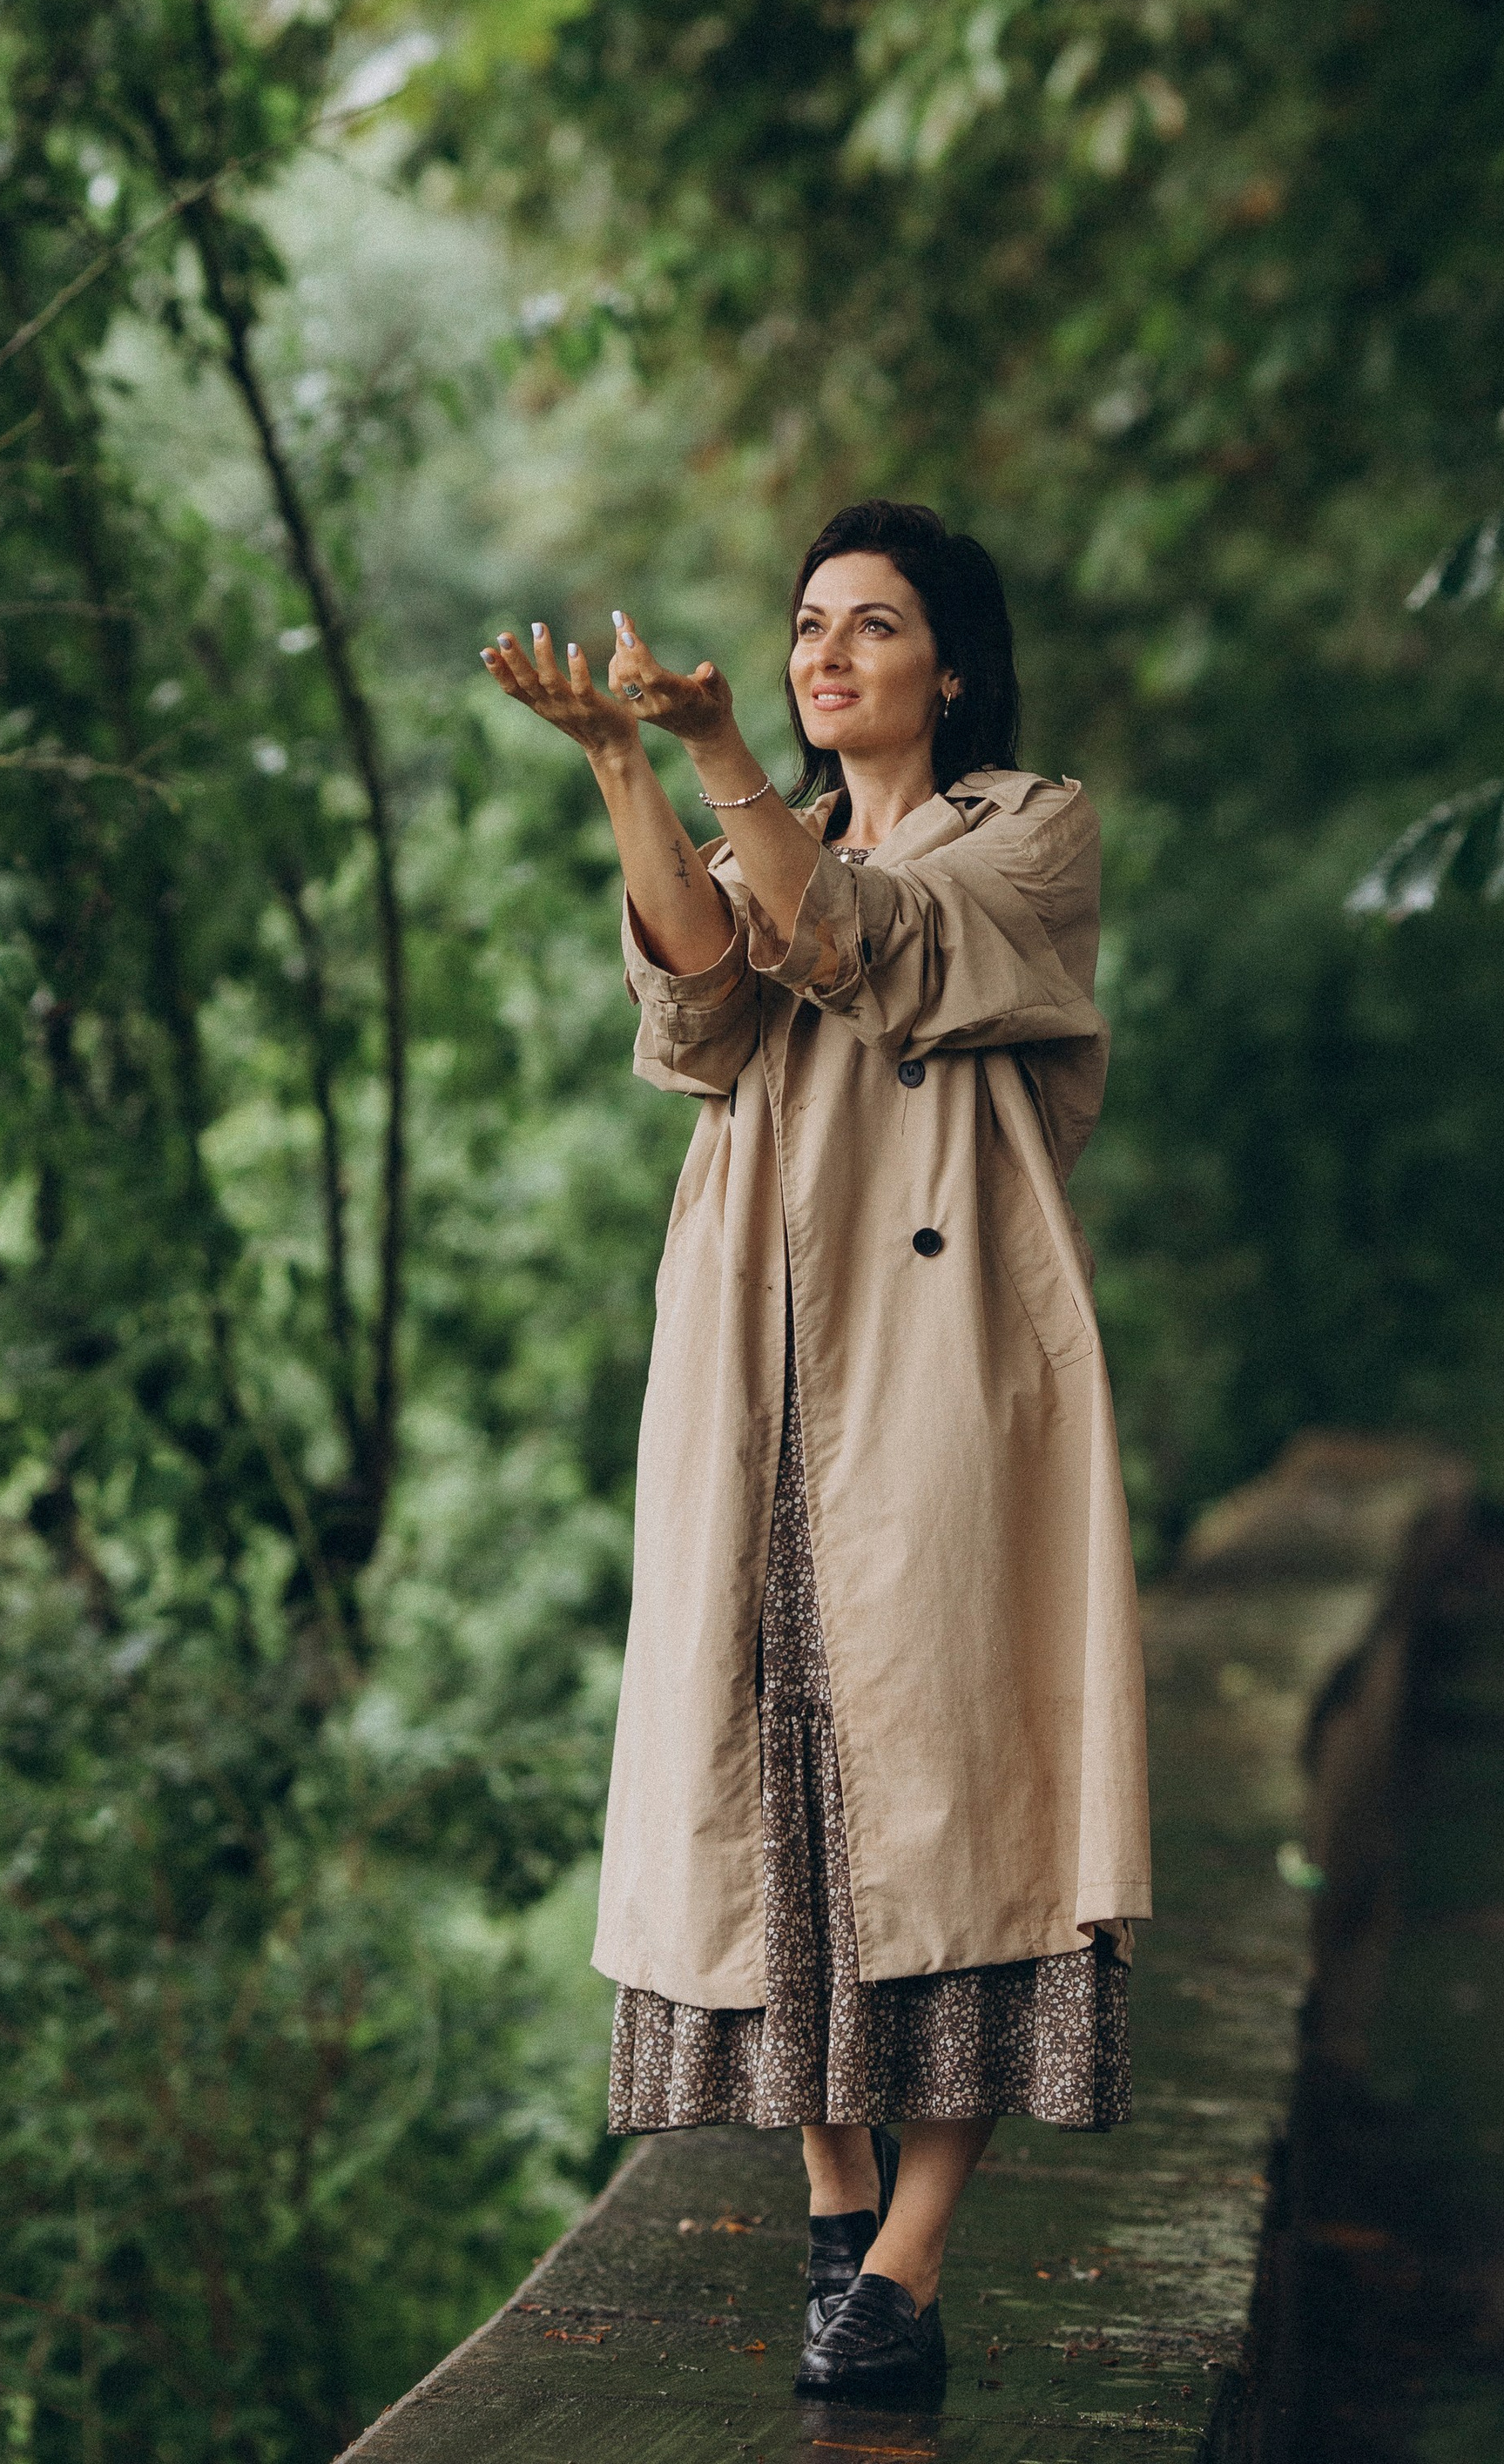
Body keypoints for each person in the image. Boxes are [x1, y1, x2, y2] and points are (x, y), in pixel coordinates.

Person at [480, 497, 1150, 2400]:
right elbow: (700, 1000)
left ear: (950, 663)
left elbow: (868, 947)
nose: (825, 654)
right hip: (757, 1360)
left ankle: (907, 2270)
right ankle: (838, 2208)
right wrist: (628, 766)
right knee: (759, 1752)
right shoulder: (750, 834)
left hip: (945, 1368)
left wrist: (712, 757)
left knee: (978, 1795)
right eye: (804, 627)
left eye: (870, 625)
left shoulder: (1026, 829)